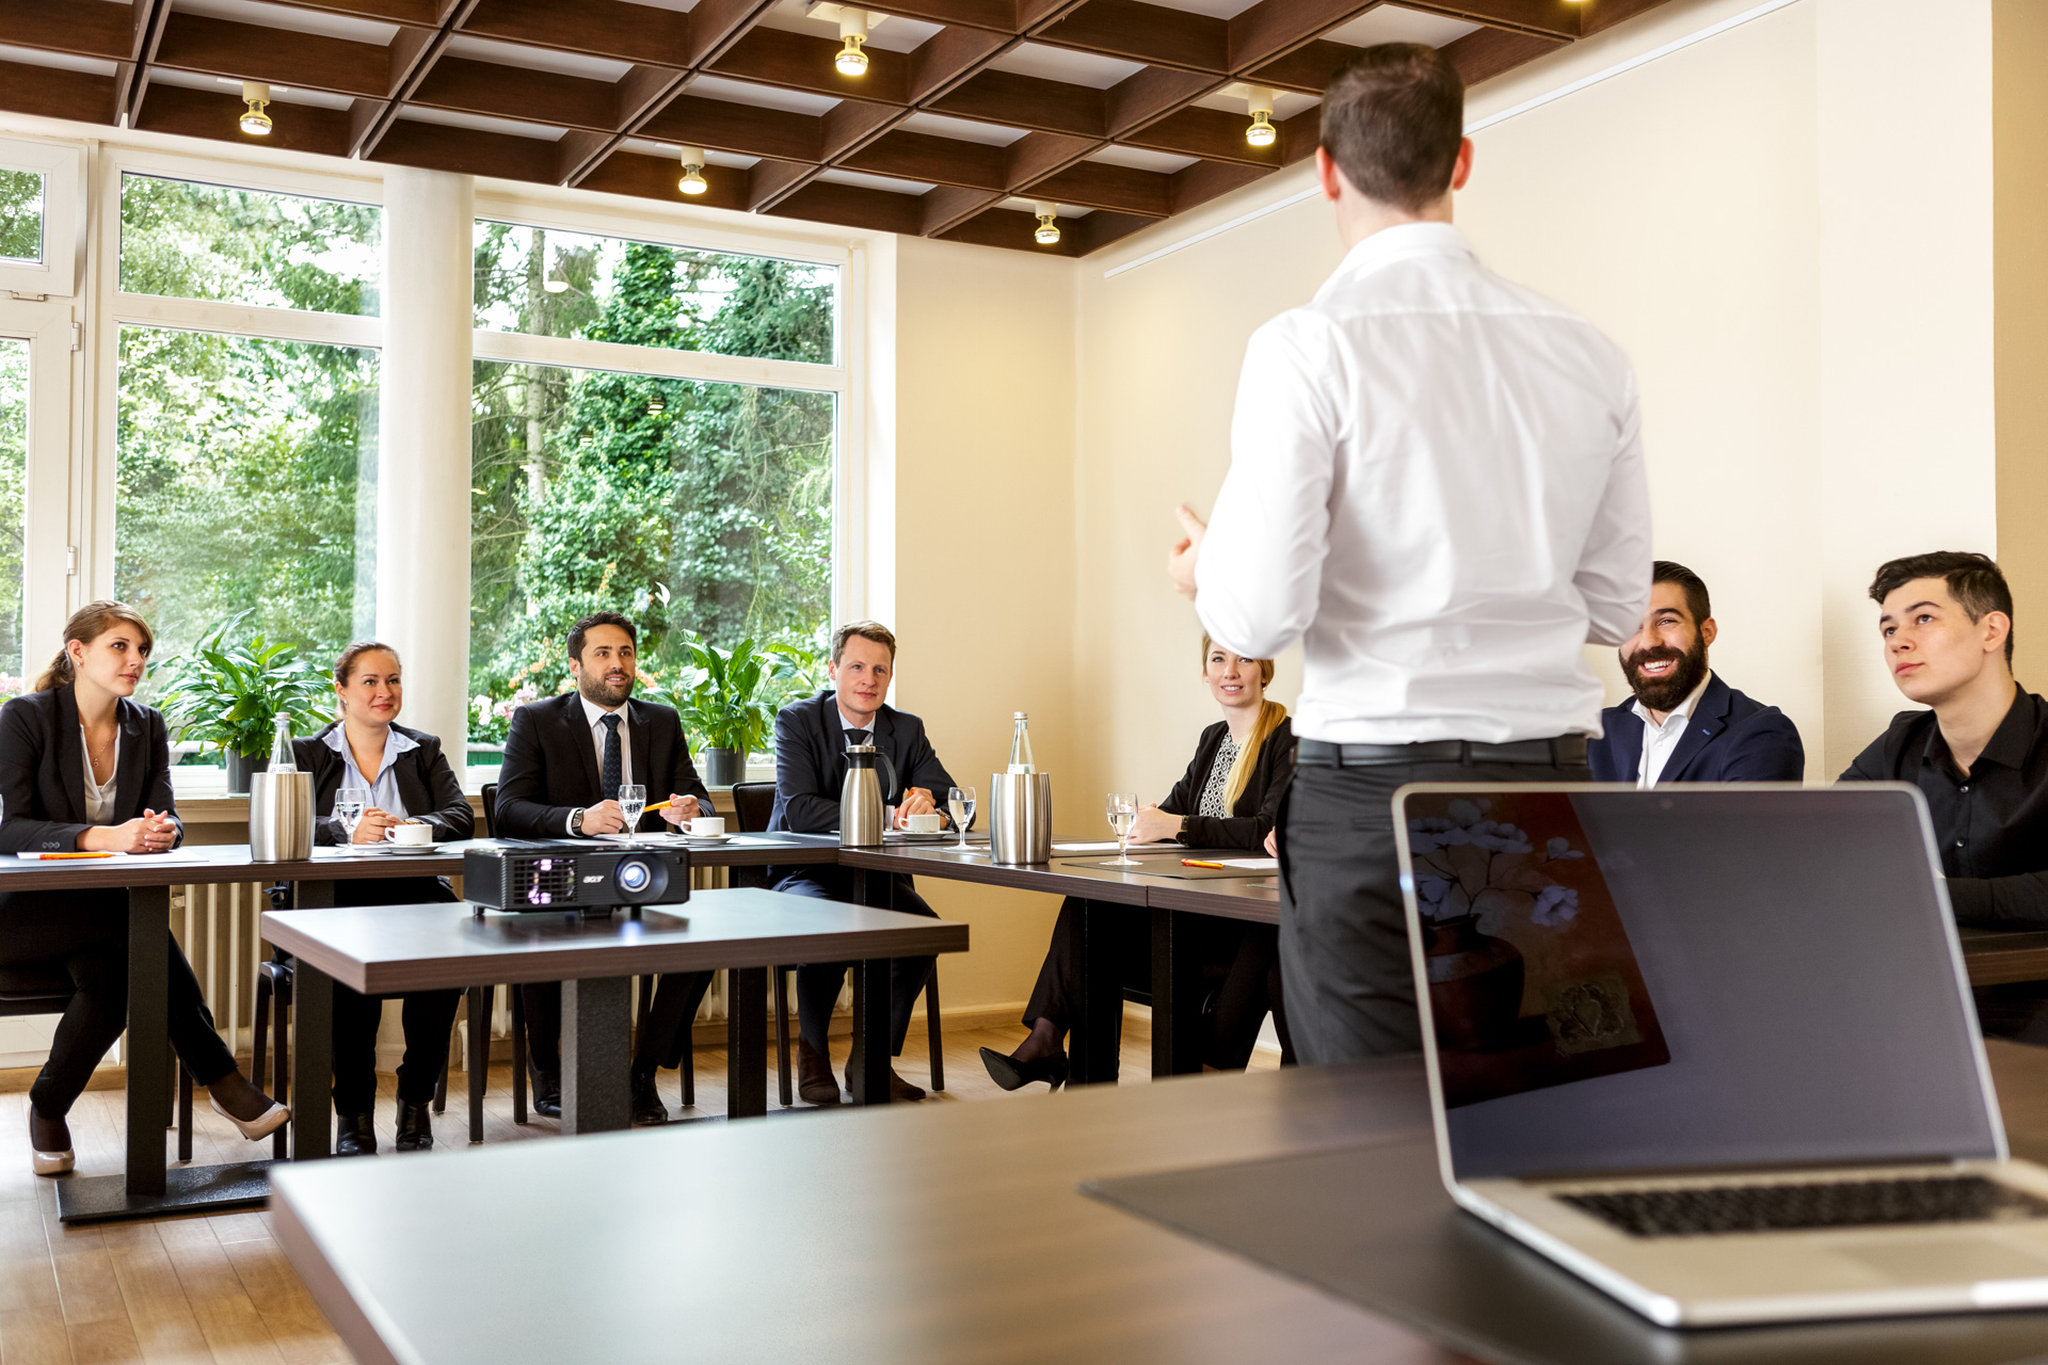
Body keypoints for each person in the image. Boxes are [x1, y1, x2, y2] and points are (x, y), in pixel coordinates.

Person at [1168, 43, 1652, 1065]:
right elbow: (1616, 608)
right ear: (1460, 162)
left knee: (1364, 1123)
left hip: (1368, 793)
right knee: (1548, 1107)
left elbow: (1256, 617)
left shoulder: (1305, 346)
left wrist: (1207, 568)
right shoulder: (1590, 354)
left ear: (1324, 171)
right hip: (1545, 787)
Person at [0, 601, 288, 1175]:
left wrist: (164, 831)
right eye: (120, 646)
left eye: (142, 650)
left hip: (100, 923)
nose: (135, 660)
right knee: (135, 929)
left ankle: (48, 1107)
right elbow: (10, 829)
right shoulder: (26, 717)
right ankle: (223, 1080)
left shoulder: (147, 725)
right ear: (78, 652)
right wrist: (102, 836)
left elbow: (169, 813)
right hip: (22, 917)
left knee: (115, 977)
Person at [982, 637, 1297, 1089]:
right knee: (1088, 904)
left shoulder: (1286, 737)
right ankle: (1049, 1040)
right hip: (1191, 907)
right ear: (1205, 672)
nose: (1229, 670)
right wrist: (1150, 821)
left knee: (1098, 925)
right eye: (1218, 659)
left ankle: (1062, 1052)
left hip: (1237, 922)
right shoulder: (1213, 738)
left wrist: (1176, 825)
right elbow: (1175, 808)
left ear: (1264, 670)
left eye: (1244, 658)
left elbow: (1265, 827)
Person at [493, 611, 716, 1125]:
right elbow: (507, 808)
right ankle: (548, 1072)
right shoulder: (537, 720)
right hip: (562, 883)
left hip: (647, 883)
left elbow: (700, 799)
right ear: (575, 665)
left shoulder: (662, 721)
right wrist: (579, 819)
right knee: (537, 934)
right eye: (603, 653)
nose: (618, 664)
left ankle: (642, 1072)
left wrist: (691, 810)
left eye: (626, 653)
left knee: (704, 945)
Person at [1839, 552, 2048, 1040]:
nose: (1899, 641)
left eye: (1924, 619)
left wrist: (1929, 892)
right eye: (1888, 629)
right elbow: (1824, 848)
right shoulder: (1899, 744)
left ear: (1991, 631)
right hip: (1924, 993)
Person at [292, 642, 475, 1155]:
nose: (384, 691)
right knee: (347, 975)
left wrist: (412, 825)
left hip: (415, 896)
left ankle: (416, 1100)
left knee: (448, 961)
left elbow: (459, 815)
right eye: (370, 681)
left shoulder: (423, 749)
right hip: (334, 901)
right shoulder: (308, 752)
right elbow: (289, 820)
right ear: (341, 690)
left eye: (393, 680)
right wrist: (344, 831)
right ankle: (353, 1115)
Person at [768, 621, 957, 1105]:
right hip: (804, 873)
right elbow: (799, 809)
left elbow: (952, 801)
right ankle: (812, 1054)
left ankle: (870, 1059)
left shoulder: (906, 729)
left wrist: (929, 806)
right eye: (856, 667)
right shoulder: (797, 720)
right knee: (829, 927)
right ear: (833, 670)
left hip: (875, 880)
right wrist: (892, 814)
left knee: (924, 934)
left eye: (880, 670)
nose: (868, 680)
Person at [1588, 561, 1805, 785]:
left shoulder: (1762, 733)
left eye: (1666, 621)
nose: (1649, 642)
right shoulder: (1593, 734)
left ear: (1707, 632)